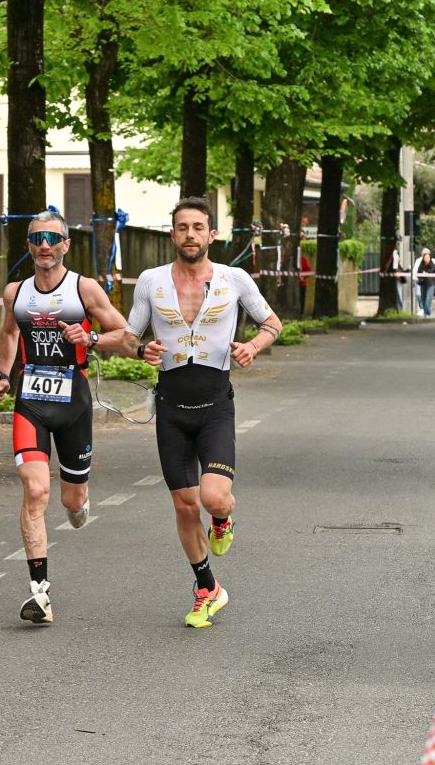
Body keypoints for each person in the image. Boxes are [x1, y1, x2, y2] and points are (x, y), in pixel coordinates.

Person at [119, 196, 282, 628]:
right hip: (171, 410)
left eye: (197, 227)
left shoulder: (234, 279)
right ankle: (207, 587)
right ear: (172, 235)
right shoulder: (151, 281)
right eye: (182, 227)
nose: (189, 235)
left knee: (213, 499)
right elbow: (129, 335)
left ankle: (223, 520)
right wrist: (140, 349)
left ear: (211, 234)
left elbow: (272, 323)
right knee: (185, 507)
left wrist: (252, 346)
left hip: (215, 409)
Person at [0, 209, 128, 626]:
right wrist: (2, 375)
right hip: (31, 400)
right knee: (35, 491)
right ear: (28, 246)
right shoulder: (15, 292)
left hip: (74, 402)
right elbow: (9, 333)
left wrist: (92, 337)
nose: (44, 245)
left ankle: (80, 499)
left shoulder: (84, 288)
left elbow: (125, 333)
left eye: (52, 238)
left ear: (66, 244)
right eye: (37, 238)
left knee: (72, 500)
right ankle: (40, 594)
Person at [412, 247, 435, 319]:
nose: (425, 256)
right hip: (422, 282)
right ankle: (423, 309)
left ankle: (427, 311)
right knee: (421, 296)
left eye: (427, 254)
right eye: (424, 254)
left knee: (428, 297)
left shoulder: (433, 261)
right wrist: (416, 278)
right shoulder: (419, 262)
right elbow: (416, 271)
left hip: (431, 283)